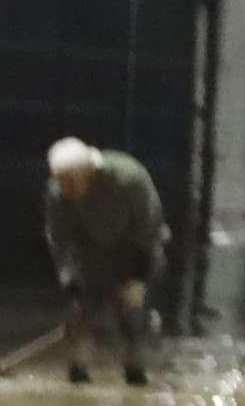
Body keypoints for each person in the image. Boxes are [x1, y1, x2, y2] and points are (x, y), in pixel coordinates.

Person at [43, 137, 169, 386]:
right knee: (78, 316)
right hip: (91, 253)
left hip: (133, 250)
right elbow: (60, 240)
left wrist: (138, 280)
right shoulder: (58, 192)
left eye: (71, 184)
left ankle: (135, 377)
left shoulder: (128, 179)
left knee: (131, 316)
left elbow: (150, 229)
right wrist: (72, 283)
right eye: (61, 183)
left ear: (88, 175)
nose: (64, 190)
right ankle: (78, 377)